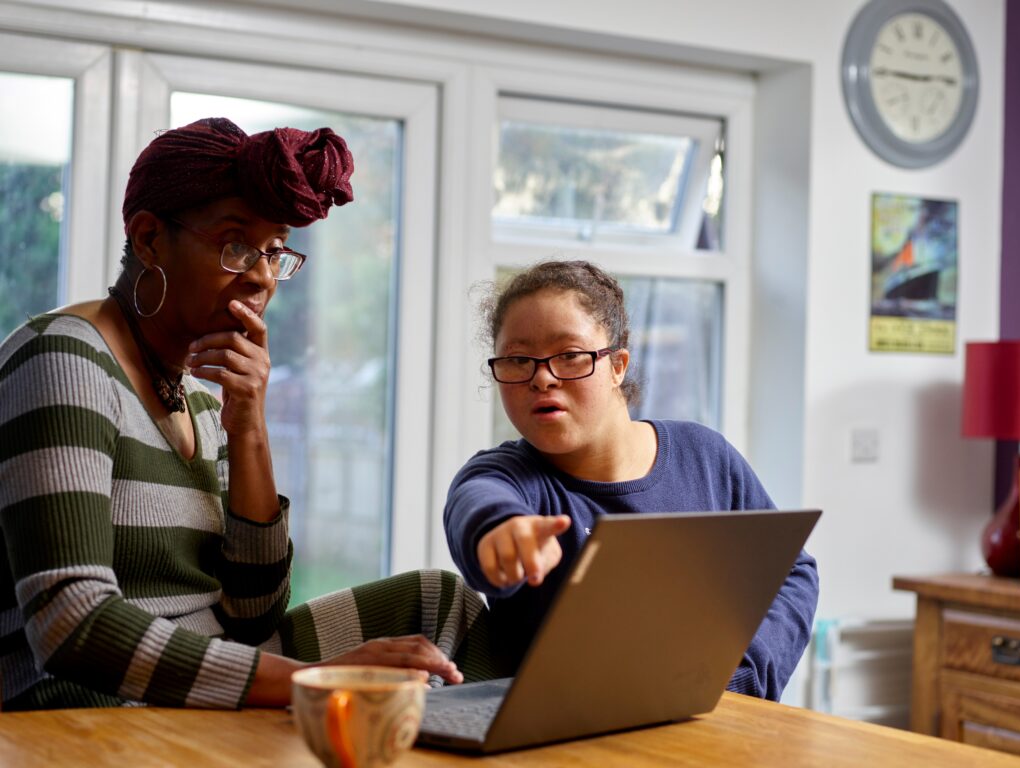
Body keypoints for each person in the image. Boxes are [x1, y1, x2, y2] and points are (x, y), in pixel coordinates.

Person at [0, 117, 499, 710]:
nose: (262, 276)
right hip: (95, 698)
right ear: (149, 237)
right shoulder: (61, 356)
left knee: (439, 600)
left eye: (274, 251)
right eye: (236, 246)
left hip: (214, 658)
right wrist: (309, 682)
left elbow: (253, 612)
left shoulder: (204, 391)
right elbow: (71, 623)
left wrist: (250, 429)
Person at [444, 259, 819, 701]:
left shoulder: (706, 457)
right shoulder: (506, 476)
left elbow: (791, 572)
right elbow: (479, 501)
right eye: (518, 360)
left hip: (718, 727)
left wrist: (741, 677)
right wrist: (501, 533)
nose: (542, 377)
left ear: (618, 365)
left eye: (569, 355)